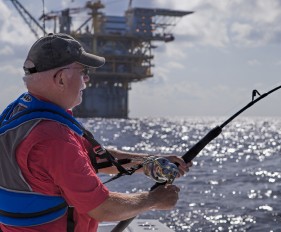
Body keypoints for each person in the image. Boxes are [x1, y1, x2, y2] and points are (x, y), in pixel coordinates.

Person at [0, 33, 191, 232]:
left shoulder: (20, 113)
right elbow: (101, 208)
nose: (87, 79)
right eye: (82, 71)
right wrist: (153, 200)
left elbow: (92, 158)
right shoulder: (54, 138)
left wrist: (151, 163)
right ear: (61, 79)